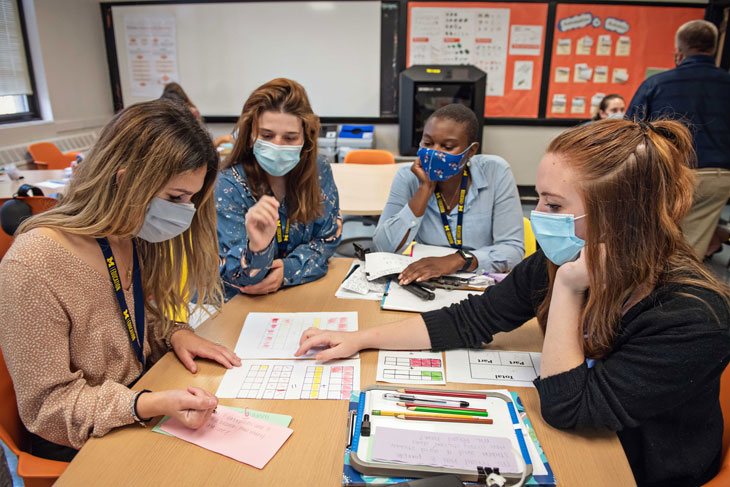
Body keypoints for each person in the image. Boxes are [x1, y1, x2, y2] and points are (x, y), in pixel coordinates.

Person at [297, 119, 730, 487]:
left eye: (553, 203)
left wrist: (566, 289)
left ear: (620, 217)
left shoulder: (691, 315)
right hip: (589, 435)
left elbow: (568, 408)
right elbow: (471, 319)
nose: (536, 213)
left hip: (642, 467)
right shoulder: (560, 259)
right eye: (538, 196)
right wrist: (361, 338)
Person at [0, 99, 241, 461]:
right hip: (82, 441)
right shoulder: (34, 264)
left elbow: (135, 323)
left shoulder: (129, 232)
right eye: (175, 197)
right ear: (126, 181)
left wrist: (175, 332)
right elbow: (48, 409)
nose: (184, 212)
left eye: (190, 199)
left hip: (139, 403)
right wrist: (145, 403)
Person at [216, 78, 342, 299]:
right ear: (250, 135)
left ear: (306, 139)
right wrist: (258, 248)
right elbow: (239, 276)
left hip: (299, 296)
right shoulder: (228, 186)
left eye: (290, 138)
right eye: (266, 136)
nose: (277, 145)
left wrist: (288, 270)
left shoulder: (318, 171)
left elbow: (328, 239)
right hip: (239, 305)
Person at [373, 104, 523, 281]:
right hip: (428, 280)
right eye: (428, 143)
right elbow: (381, 249)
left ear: (471, 150)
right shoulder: (408, 176)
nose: (435, 153)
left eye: (448, 147)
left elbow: (513, 250)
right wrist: (425, 189)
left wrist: (458, 260)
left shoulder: (496, 172)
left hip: (478, 278)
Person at [626, 20, 730, 259]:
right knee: (692, 247)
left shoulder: (657, 84)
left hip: (671, 173)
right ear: (713, 48)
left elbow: (630, 131)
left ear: (678, 52)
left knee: (654, 238)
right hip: (719, 176)